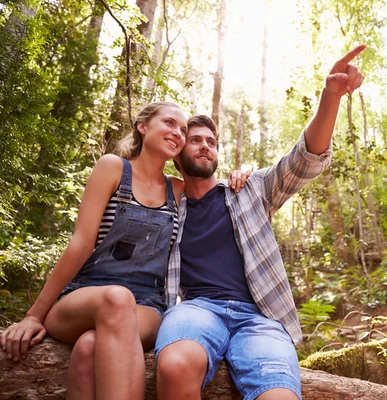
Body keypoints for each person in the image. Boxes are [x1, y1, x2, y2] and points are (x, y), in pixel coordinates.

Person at [155, 44, 366, 400]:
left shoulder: (250, 189)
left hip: (260, 318)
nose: (205, 146)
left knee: (279, 396)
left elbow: (305, 159)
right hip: (197, 310)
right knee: (175, 365)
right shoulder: (166, 203)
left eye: (211, 141)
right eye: (194, 141)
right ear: (178, 156)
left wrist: (330, 97)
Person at [0, 101, 248, 400]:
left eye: (183, 130)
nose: (177, 133)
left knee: (90, 346)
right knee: (116, 299)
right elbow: (80, 244)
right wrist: (33, 316)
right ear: (143, 126)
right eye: (169, 123)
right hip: (84, 295)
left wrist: (241, 174)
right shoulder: (113, 168)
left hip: (147, 305)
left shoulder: (178, 189)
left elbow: (211, 186)